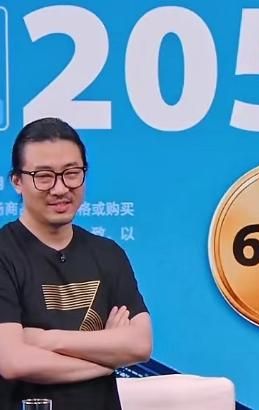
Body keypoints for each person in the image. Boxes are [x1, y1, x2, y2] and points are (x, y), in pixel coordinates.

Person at [0, 118, 152, 410]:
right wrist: (108, 358)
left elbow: (140, 344)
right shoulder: (5, 254)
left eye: (72, 173)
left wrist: (44, 340)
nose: (60, 188)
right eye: (44, 176)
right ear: (17, 181)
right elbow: (13, 361)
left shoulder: (108, 254)